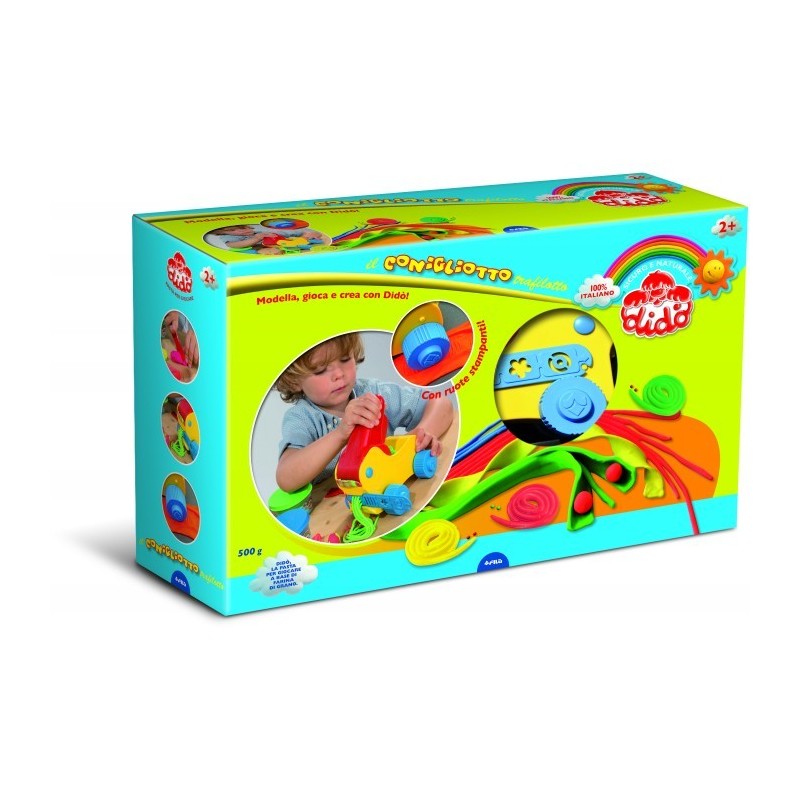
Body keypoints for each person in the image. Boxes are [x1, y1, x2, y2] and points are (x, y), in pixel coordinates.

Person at [275, 333, 453, 492]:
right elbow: (286, 478)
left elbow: (440, 403)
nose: (339, 374)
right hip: (339, 514)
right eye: (320, 370)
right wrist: (340, 434)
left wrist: (416, 440)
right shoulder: (302, 418)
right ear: (294, 381)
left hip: (389, 492)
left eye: (345, 359)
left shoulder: (372, 393)